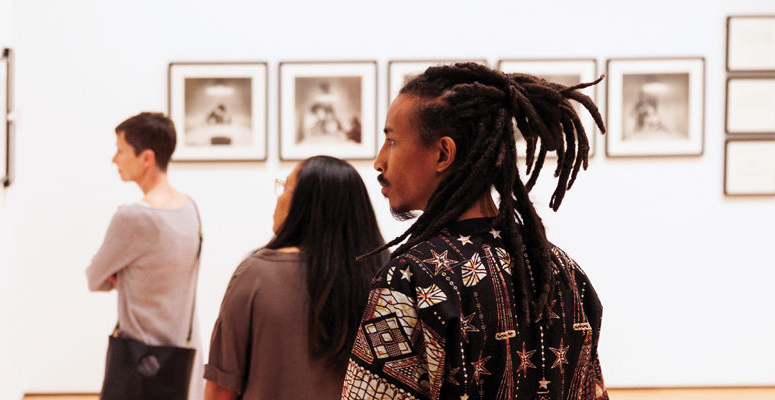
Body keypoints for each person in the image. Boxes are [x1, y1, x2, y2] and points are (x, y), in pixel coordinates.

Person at [342, 63, 609, 400]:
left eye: (392, 140)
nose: (379, 161)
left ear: (443, 154)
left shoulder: (409, 280)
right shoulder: (564, 272)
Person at [205, 156, 388, 400]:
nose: (279, 197)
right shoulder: (383, 275)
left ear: (304, 204)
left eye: (285, 187)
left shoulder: (256, 274)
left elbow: (220, 389)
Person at [86, 112, 203, 399]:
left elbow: (94, 278)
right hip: (182, 359)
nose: (115, 159)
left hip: (140, 363)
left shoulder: (133, 217)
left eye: (121, 150)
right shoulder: (190, 208)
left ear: (146, 158)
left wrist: (120, 275)